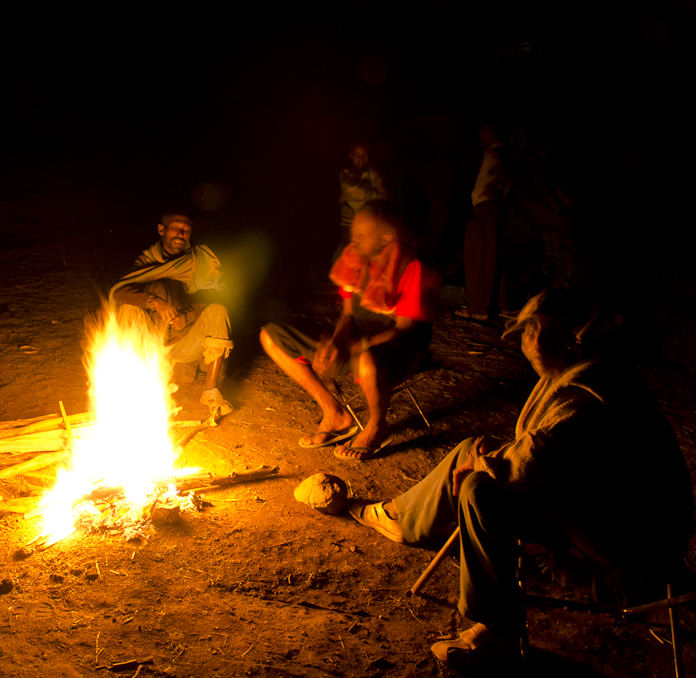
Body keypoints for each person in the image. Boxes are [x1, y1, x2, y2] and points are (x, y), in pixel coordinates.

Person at [349, 289, 693, 669]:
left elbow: (531, 461)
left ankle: (497, 634)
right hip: (590, 500)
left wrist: (484, 467)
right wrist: (483, 458)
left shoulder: (589, 389)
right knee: (472, 451)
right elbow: (539, 447)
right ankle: (402, 516)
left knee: (479, 490)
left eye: (530, 332)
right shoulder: (576, 370)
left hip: (626, 535)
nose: (526, 345)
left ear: (564, 335)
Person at [261, 201, 437, 458]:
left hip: (401, 347)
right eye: (353, 233)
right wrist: (334, 343)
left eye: (362, 235)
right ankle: (334, 414)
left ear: (386, 237)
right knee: (271, 335)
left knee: (366, 359)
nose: (353, 239)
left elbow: (405, 329)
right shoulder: (354, 261)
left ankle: (377, 426)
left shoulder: (410, 266)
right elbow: (347, 314)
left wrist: (359, 346)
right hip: (360, 339)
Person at [111, 213, 234, 417]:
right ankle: (133, 385)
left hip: (182, 341)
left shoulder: (199, 261)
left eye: (186, 229)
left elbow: (215, 298)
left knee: (219, 310)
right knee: (127, 309)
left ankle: (210, 392)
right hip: (152, 343)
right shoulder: (147, 260)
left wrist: (186, 316)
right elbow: (120, 291)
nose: (181, 233)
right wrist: (154, 301)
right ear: (162, 230)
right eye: (175, 228)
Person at [458, 122, 512, 321]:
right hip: (490, 206)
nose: (480, 135)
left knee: (479, 256)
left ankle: (479, 308)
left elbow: (504, 177)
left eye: (483, 131)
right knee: (492, 255)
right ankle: (497, 305)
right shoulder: (497, 153)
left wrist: (492, 192)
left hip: (487, 206)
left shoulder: (496, 154)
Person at [336, 144, 386, 261]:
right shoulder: (347, 173)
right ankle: (335, 278)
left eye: (364, 155)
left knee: (369, 256)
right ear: (351, 156)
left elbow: (385, 194)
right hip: (350, 223)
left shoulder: (374, 173)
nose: (361, 159)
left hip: (371, 225)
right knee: (347, 254)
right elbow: (357, 197)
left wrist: (369, 191)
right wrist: (374, 192)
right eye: (357, 155)